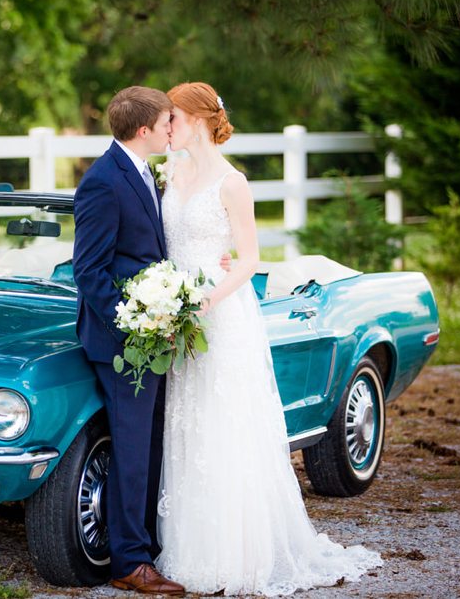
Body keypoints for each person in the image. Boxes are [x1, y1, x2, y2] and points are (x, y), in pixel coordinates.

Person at [154, 81, 383, 595]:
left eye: (174, 117)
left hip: (218, 313)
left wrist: (205, 301)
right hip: (174, 311)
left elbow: (249, 258)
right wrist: (165, 299)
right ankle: (190, 547)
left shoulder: (232, 183)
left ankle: (238, 555)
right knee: (186, 424)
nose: (167, 126)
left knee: (223, 424)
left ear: (197, 120)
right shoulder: (171, 171)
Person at [72, 86, 185, 596]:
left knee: (151, 446)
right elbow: (89, 271)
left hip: (152, 336)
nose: (170, 130)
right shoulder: (102, 181)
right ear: (144, 130)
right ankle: (128, 563)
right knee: (133, 452)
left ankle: (147, 548)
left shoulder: (142, 172)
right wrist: (134, 324)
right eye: (165, 124)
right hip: (122, 343)